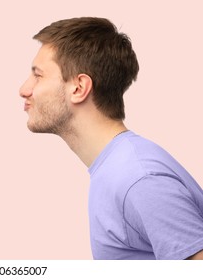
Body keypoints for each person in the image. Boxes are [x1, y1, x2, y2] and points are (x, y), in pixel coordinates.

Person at [19, 17, 203, 260]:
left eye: (38, 75)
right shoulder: (116, 170)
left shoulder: (139, 180)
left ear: (78, 88)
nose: (24, 89)